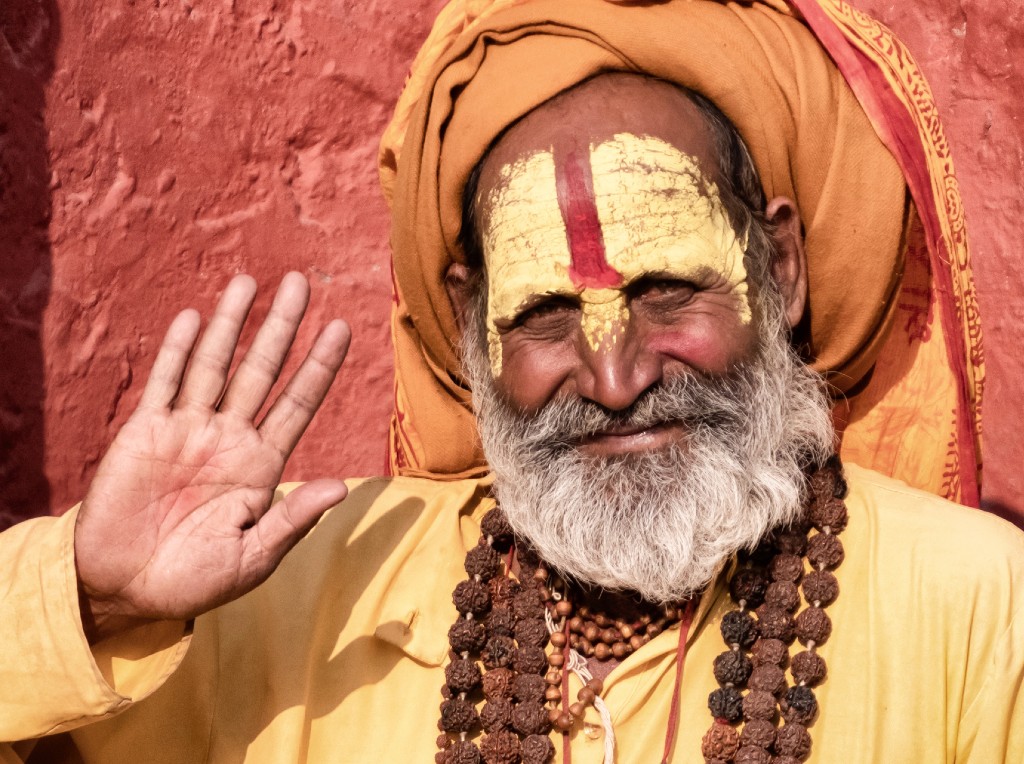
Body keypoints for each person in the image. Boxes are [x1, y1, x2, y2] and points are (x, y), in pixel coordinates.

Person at [2, 1, 1022, 763]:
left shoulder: (975, 609)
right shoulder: (298, 594)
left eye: (667, 291)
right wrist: (93, 598)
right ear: (466, 323)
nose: (616, 377)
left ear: (780, 270)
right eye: (544, 317)